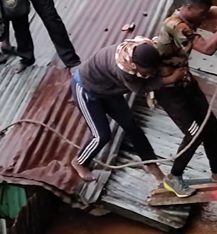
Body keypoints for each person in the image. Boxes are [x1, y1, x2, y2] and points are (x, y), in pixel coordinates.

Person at [153, 0, 217, 198]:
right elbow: (208, 48)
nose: (204, 16)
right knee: (194, 133)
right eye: (202, 13)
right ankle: (174, 178)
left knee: (210, 125)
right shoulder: (176, 25)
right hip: (168, 88)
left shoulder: (192, 14)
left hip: (185, 81)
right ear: (188, 8)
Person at [71, 36, 188, 183]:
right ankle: (79, 161)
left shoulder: (143, 47)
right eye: (146, 72)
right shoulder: (124, 71)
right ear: (135, 65)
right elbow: (142, 88)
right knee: (102, 135)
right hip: (87, 90)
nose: (150, 74)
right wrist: (170, 79)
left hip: (109, 89)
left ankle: (151, 166)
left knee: (131, 126)